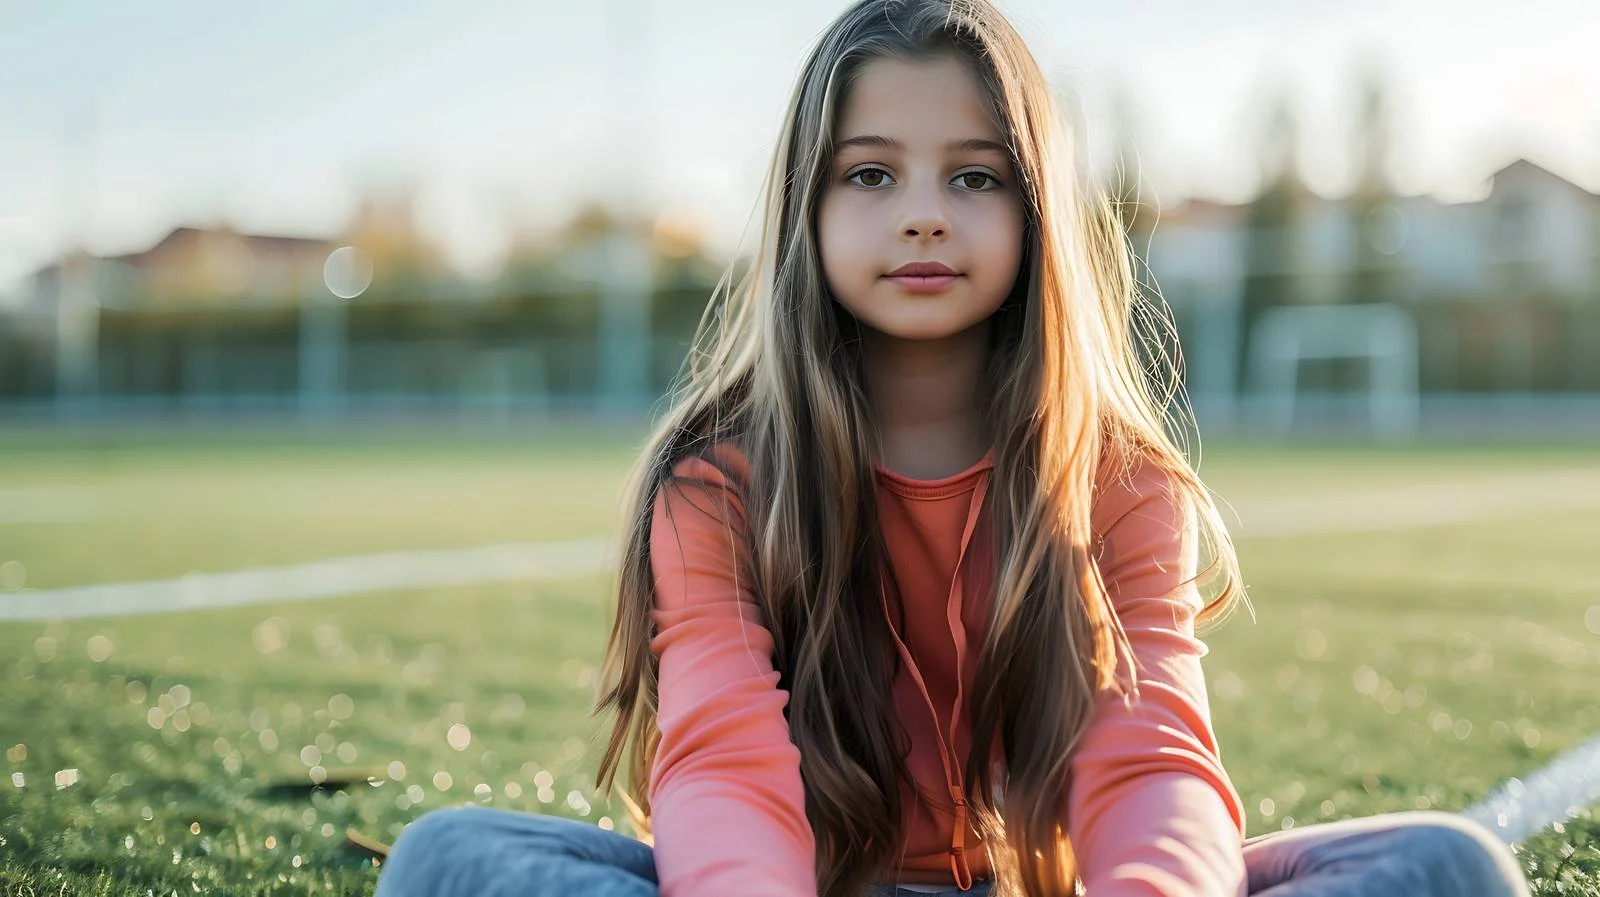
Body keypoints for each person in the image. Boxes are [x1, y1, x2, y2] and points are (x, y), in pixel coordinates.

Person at [373, 1, 1532, 895]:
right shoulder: (718, 484)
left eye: (973, 176)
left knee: (1447, 867)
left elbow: (1152, 765)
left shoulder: (1121, 487)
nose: (922, 213)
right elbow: (724, 770)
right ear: (805, 210)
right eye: (870, 174)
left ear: (1036, 213)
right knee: (450, 858)